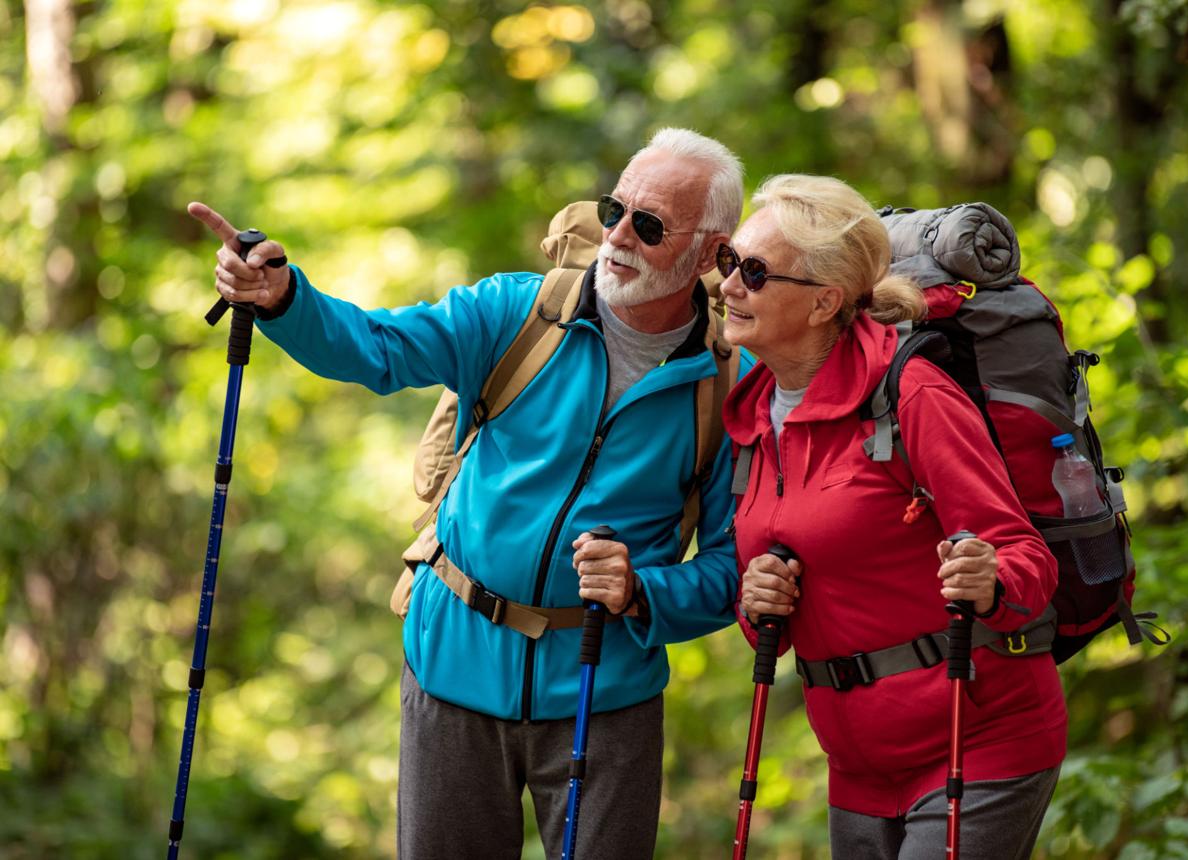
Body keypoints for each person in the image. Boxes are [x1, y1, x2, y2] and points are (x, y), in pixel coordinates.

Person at [189, 128, 754, 858]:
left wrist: (643, 591)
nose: (617, 236)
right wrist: (285, 299)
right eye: (614, 209)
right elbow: (378, 347)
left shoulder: (726, 385)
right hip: (452, 663)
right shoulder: (516, 314)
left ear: (709, 253)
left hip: (604, 692)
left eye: (648, 227)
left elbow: (735, 566)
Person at [721, 174, 1066, 859]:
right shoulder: (753, 414)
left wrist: (989, 574)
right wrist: (754, 600)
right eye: (730, 262)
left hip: (977, 745)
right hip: (855, 769)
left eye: (755, 272)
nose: (729, 284)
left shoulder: (911, 394)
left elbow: (1026, 555)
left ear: (824, 301)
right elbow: (804, 582)